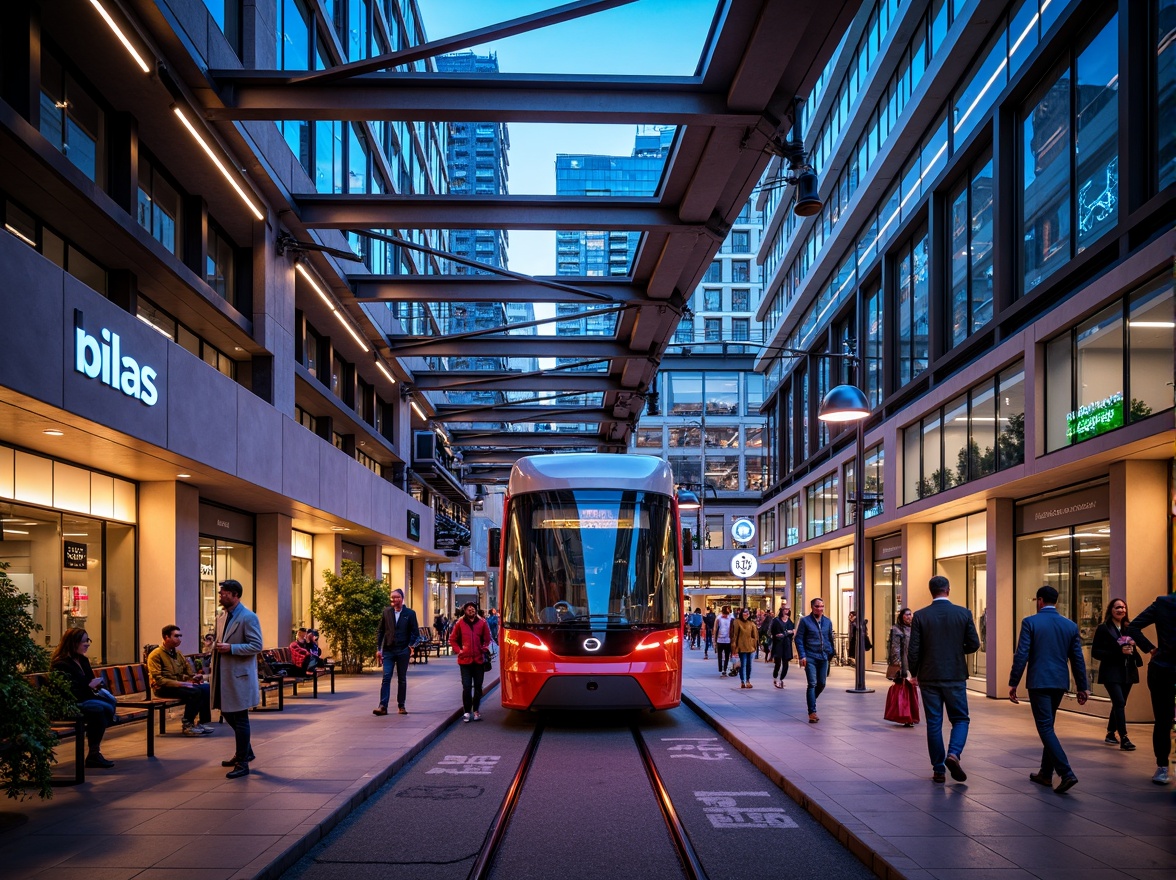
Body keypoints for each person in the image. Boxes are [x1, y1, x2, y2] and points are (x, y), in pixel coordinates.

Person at [1008, 585, 1090, 794]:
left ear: (1040, 600)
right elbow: (1077, 658)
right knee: (1049, 725)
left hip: (1039, 682)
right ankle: (1045, 773)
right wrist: (1083, 686)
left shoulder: (1030, 622)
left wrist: (1013, 681)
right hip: (1059, 682)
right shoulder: (1070, 626)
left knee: (1044, 727)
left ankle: (1066, 772)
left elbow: (1022, 654)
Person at [908, 576, 980, 783]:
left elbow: (913, 650)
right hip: (955, 674)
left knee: (934, 722)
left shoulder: (920, 616)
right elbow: (974, 644)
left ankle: (939, 769)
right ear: (948, 590)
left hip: (929, 675)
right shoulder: (963, 613)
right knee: (960, 718)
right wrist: (958, 651)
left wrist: (915, 673)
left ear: (931, 591)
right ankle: (954, 754)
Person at [211, 579, 262, 779]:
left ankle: (242, 762)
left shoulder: (248, 617)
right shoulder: (221, 617)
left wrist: (231, 648)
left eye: (223, 593)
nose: (220, 596)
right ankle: (245, 752)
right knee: (226, 711)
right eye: (220, 593)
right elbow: (219, 639)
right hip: (223, 674)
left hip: (238, 675)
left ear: (235, 595)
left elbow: (256, 645)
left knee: (240, 717)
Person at [50, 628, 118, 769]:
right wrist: (89, 686)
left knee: (106, 704)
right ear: (72, 643)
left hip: (85, 698)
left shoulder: (83, 660)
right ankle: (94, 753)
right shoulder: (61, 664)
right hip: (70, 703)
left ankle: (94, 753)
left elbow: (88, 681)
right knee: (99, 709)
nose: (87, 644)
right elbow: (68, 692)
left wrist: (97, 684)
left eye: (88, 640)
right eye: (84, 641)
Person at [1127, 592, 1176, 785]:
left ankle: (1163, 768)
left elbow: (1133, 627)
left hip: (1162, 667)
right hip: (1164, 669)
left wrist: (1151, 649)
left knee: (1163, 720)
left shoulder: (1164, 603)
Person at [1092, 598, 1149, 752]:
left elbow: (1133, 651)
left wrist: (1133, 647)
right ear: (1111, 610)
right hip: (1111, 672)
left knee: (1120, 703)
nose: (1121, 610)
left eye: (1123, 607)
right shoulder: (1103, 628)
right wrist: (1119, 652)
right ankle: (1124, 737)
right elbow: (1096, 652)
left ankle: (1110, 733)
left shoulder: (1129, 628)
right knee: (1118, 702)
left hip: (1128, 672)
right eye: (1118, 607)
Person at [146, 624, 213, 736]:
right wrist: (182, 684)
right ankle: (187, 724)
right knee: (195, 692)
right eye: (176, 636)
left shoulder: (178, 654)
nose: (179, 639)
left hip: (178, 685)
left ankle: (203, 722)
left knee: (205, 687)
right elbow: (159, 680)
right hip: (163, 688)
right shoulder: (155, 655)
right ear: (166, 637)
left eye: (180, 636)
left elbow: (186, 672)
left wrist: (194, 677)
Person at [375, 588, 419, 716]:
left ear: (402, 598)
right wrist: (379, 649)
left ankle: (401, 705)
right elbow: (381, 631)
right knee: (386, 677)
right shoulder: (386, 612)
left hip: (402, 650)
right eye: (392, 597)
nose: (394, 600)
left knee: (402, 678)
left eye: (396, 597)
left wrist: (410, 646)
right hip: (388, 650)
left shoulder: (410, 613)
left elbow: (415, 633)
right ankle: (382, 706)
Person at [449, 602, 492, 722]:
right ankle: (467, 711)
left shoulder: (482, 622)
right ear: (465, 611)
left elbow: (488, 639)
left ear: (476, 610)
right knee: (466, 687)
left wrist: (483, 648)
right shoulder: (460, 623)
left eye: (473, 608)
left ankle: (476, 710)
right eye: (468, 609)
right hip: (464, 661)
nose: (471, 610)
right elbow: (452, 639)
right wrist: (459, 651)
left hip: (478, 661)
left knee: (478, 687)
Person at [795, 597, 835, 723]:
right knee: (812, 683)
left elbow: (829, 638)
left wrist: (831, 653)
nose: (820, 609)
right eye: (817, 606)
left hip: (823, 657)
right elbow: (799, 639)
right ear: (812, 607)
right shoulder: (805, 621)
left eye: (822, 606)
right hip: (810, 656)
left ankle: (811, 700)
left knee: (822, 683)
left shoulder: (827, 622)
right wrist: (802, 656)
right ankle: (812, 712)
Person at [887, 607, 915, 727]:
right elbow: (895, 648)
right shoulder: (897, 629)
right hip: (903, 663)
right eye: (906, 615)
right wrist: (897, 665)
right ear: (901, 616)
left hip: (912, 662)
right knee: (904, 689)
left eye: (910, 614)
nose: (909, 617)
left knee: (911, 690)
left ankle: (910, 716)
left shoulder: (914, 628)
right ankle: (905, 715)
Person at [731, 608, 759, 688]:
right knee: (743, 664)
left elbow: (755, 636)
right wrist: (734, 646)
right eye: (744, 613)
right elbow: (735, 635)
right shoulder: (737, 622)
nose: (745, 615)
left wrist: (754, 645)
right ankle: (742, 681)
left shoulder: (751, 623)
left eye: (747, 613)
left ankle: (748, 680)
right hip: (741, 646)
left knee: (749, 665)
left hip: (750, 647)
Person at [768, 606, 795, 688]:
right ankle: (775, 677)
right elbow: (771, 632)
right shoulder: (776, 620)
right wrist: (786, 633)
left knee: (786, 663)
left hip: (787, 644)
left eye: (788, 609)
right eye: (785, 609)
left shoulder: (790, 622)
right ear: (781, 611)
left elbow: (793, 631)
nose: (786, 611)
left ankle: (781, 679)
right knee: (778, 663)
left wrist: (785, 633)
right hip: (778, 644)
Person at [713, 605, 734, 676]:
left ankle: (724, 669)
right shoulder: (718, 618)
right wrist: (714, 640)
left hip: (728, 639)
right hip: (720, 639)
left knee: (727, 655)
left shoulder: (731, 618)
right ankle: (720, 668)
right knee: (719, 655)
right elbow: (715, 629)